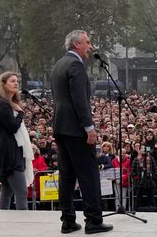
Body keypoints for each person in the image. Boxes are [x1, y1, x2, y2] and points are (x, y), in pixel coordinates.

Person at [51, 30, 111, 234]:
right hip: (77, 130)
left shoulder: (59, 64)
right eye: (87, 42)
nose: (90, 46)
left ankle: (68, 220)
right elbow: (79, 100)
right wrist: (89, 127)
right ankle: (93, 220)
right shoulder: (76, 65)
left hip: (61, 127)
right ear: (77, 44)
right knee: (88, 175)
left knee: (67, 176)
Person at [0, 72, 33, 210]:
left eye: (17, 81)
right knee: (21, 191)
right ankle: (22, 224)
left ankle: (4, 223)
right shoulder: (1, 104)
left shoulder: (8, 103)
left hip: (9, 150)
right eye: (12, 81)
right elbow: (13, 127)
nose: (16, 83)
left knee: (7, 192)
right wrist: (20, 113)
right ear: (3, 84)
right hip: (8, 153)